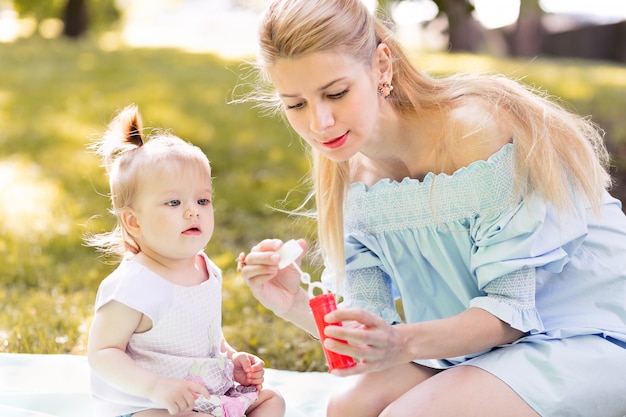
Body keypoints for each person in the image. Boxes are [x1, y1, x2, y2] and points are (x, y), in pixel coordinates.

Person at [236, 0, 626, 416]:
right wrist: (293, 303)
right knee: (348, 407)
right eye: (296, 104)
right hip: (473, 346)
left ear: (381, 66)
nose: (320, 122)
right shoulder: (350, 179)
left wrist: (402, 344)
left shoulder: (473, 134)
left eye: (336, 93)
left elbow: (510, 315)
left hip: (581, 333)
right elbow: (370, 327)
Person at [86, 105, 285, 417]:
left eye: (202, 200)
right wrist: (155, 387)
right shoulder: (133, 286)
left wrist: (232, 360)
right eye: (174, 202)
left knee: (272, 400)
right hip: (149, 405)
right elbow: (102, 353)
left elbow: (208, 338)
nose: (193, 211)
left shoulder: (207, 269)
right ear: (134, 221)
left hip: (207, 393)